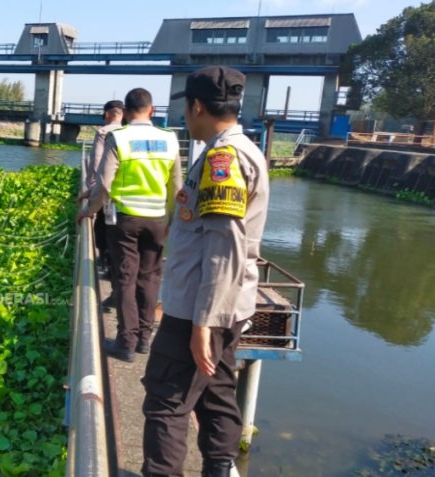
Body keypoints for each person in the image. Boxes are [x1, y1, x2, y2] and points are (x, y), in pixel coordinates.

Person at [141, 66, 270, 477]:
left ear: (197, 105)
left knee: (166, 399)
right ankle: (218, 468)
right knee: (215, 392)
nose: (184, 116)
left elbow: (222, 245)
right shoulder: (240, 150)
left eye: (186, 107)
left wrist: (204, 324)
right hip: (224, 304)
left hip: (198, 309)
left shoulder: (223, 158)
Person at [76, 88, 181, 363]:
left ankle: (126, 342)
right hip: (157, 220)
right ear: (152, 110)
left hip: (124, 220)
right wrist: (171, 222)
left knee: (125, 279)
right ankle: (145, 340)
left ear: (127, 111)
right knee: (150, 279)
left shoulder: (118, 138)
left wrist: (88, 211)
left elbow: (105, 185)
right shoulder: (169, 139)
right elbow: (178, 188)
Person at [78, 99, 125, 309]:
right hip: (127, 197)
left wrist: (91, 190)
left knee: (103, 230)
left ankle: (106, 262)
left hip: (106, 192)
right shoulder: (128, 133)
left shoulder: (104, 132)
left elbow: (97, 163)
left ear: (107, 114)